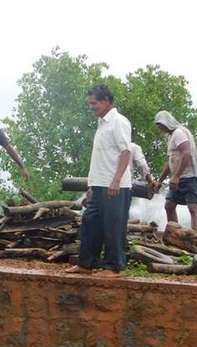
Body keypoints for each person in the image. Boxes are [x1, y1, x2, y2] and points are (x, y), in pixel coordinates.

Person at [67, 85, 132, 277]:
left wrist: (116, 180)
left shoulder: (118, 122)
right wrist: (91, 185)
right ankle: (86, 264)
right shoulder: (102, 123)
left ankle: (114, 267)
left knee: (113, 225)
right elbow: (100, 158)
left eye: (94, 103)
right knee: (90, 222)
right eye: (90, 103)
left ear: (106, 101)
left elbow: (126, 152)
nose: (91, 107)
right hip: (99, 184)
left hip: (114, 185)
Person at [153, 111, 197, 232]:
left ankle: (194, 239)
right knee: (169, 206)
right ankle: (176, 235)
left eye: (160, 125)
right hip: (178, 177)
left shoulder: (179, 133)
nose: (160, 128)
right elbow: (169, 161)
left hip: (190, 176)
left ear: (167, 123)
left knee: (193, 208)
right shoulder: (170, 137)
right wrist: (159, 181)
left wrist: (176, 176)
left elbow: (187, 153)